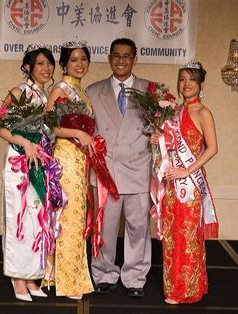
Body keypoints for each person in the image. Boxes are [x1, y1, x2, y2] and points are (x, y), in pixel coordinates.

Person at [86, 38, 151, 298]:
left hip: (139, 168)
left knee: (138, 228)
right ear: (109, 58)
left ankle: (135, 275)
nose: (121, 60)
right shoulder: (92, 90)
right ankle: (103, 272)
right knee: (105, 228)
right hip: (106, 170)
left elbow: (165, 127)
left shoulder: (151, 91)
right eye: (116, 55)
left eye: (127, 56)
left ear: (135, 59)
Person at [0, 45, 55, 302]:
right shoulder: (19, 91)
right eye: (40, 63)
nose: (46, 68)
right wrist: (25, 142)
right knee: (19, 218)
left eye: (49, 64)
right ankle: (18, 277)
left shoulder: (46, 96)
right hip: (19, 161)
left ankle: (30, 276)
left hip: (38, 164)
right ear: (28, 67)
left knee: (35, 221)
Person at [151, 61, 219, 304]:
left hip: (190, 185)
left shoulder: (203, 113)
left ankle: (186, 289)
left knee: (187, 237)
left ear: (200, 84)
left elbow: (212, 148)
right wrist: (157, 139)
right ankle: (174, 286)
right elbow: (167, 148)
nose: (186, 84)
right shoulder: (173, 112)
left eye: (191, 79)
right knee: (171, 237)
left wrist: (186, 170)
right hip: (171, 185)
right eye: (182, 79)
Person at [46, 39, 94, 300]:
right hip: (65, 157)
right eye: (74, 59)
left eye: (84, 59)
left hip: (80, 159)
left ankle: (74, 274)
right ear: (64, 63)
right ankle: (67, 278)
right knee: (68, 217)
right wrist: (77, 132)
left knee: (77, 216)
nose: (80, 64)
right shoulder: (59, 90)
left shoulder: (82, 92)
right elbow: (51, 126)